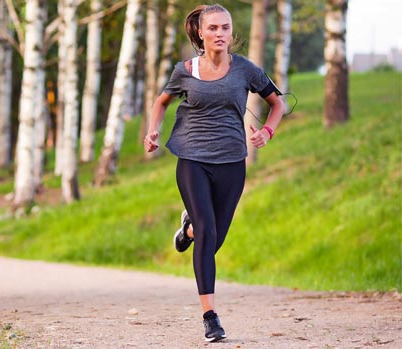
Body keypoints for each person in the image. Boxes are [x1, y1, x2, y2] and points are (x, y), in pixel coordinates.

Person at [143, 3, 284, 343]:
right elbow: (161, 102)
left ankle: (188, 230)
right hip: (191, 158)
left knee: (213, 238)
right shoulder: (186, 70)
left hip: (233, 160)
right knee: (209, 231)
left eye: (225, 28)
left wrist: (266, 132)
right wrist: (152, 131)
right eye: (214, 28)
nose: (220, 34)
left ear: (231, 33)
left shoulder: (246, 70)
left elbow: (277, 103)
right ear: (201, 34)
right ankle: (210, 317)